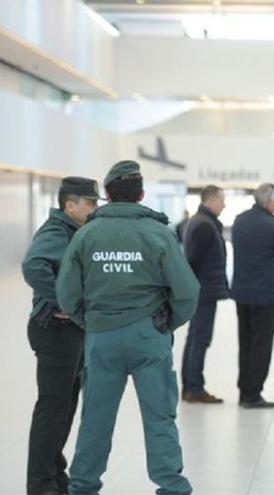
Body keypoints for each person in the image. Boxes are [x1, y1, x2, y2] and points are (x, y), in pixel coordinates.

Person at [56, 160, 199, 495]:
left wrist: (88, 321)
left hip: (102, 337)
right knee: (159, 416)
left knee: (96, 417)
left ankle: (83, 486)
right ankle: (172, 486)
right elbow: (188, 290)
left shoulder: (86, 234)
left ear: (107, 195)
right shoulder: (158, 232)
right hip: (149, 335)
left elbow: (66, 290)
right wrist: (166, 322)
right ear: (141, 195)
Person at [22, 177, 99, 495]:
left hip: (71, 331)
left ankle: (54, 473)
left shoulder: (76, 231)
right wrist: (63, 299)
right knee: (53, 407)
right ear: (70, 205)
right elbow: (33, 265)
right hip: (54, 330)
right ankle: (40, 483)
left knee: (65, 407)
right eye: (90, 202)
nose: (94, 208)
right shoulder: (57, 231)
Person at [231, 183, 274, 408]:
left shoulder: (240, 221)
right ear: (268, 202)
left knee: (246, 342)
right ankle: (253, 393)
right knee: (262, 344)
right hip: (265, 294)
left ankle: (244, 391)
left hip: (242, 293)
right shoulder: (273, 226)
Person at [181, 185, 228, 403]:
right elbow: (194, 260)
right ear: (211, 200)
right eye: (222, 200)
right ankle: (194, 388)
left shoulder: (201, 222)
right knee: (200, 339)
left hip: (202, 289)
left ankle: (190, 386)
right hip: (204, 291)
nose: (224, 204)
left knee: (195, 337)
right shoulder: (204, 225)